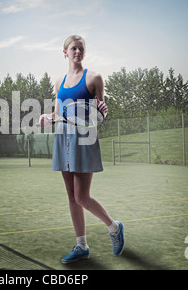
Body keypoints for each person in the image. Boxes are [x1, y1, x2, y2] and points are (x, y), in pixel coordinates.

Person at [39, 35, 124, 264]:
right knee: (71, 196)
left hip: (85, 139)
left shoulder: (94, 77)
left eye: (81, 48)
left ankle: (114, 227)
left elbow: (100, 113)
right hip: (63, 138)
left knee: (82, 196)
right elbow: (58, 114)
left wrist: (104, 111)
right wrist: (48, 117)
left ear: (84, 53)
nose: (77, 51)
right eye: (73, 48)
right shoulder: (59, 82)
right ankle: (81, 245)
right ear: (65, 52)